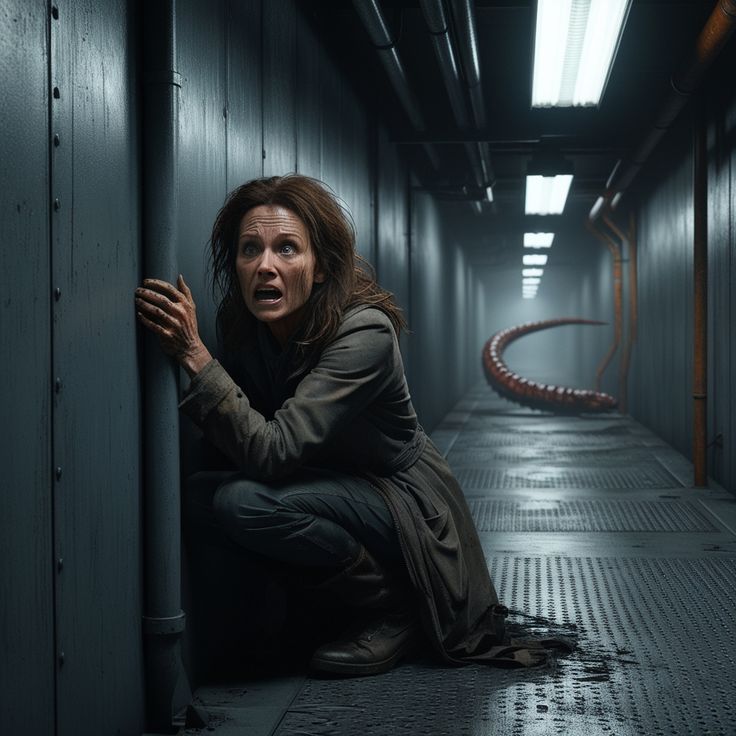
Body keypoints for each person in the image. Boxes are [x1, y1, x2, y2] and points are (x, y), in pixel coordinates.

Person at [134, 174, 562, 677]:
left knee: (241, 502)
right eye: (251, 249)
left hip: (399, 499)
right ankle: (325, 609)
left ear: (319, 268)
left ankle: (393, 610)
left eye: (287, 249)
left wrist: (193, 354)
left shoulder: (364, 332)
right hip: (323, 483)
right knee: (197, 496)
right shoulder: (246, 324)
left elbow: (272, 451)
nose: (266, 267)